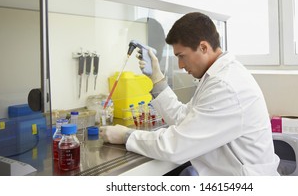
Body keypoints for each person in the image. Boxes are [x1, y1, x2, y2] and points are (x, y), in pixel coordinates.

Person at [100, 12, 280, 176]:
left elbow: (176, 146)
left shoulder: (225, 86)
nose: (180, 65)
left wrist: (127, 136)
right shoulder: (216, 77)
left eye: (181, 56)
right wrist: (157, 79)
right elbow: (184, 118)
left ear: (203, 47)